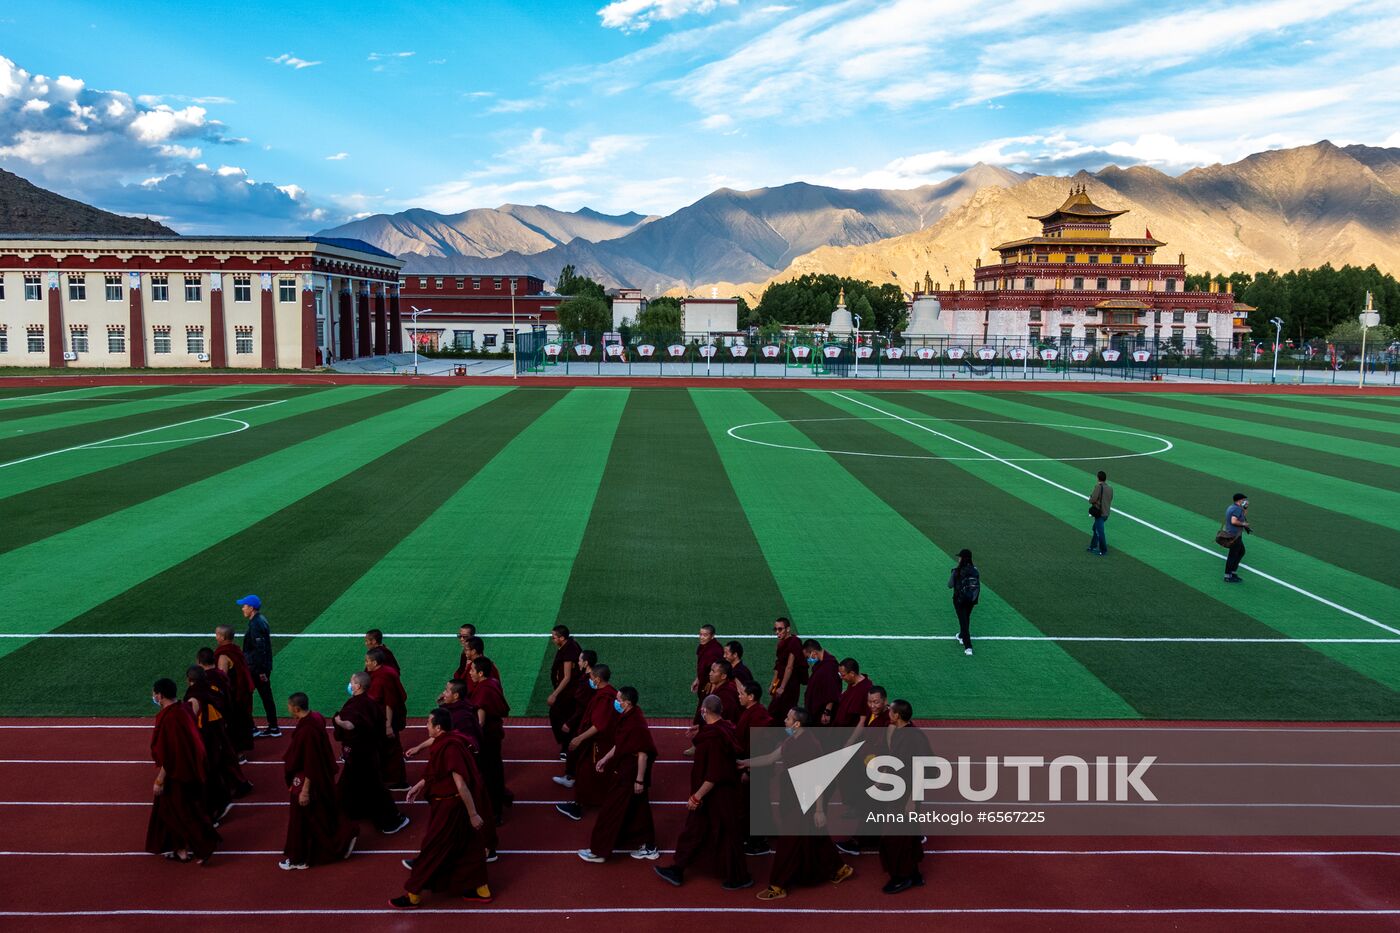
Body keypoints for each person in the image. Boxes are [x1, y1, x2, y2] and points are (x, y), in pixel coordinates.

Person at [747, 708, 854, 900]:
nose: (785, 720)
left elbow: (818, 779)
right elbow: (771, 757)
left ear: (797, 724)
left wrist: (819, 810)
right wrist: (744, 763)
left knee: (788, 842)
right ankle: (839, 868)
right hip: (793, 794)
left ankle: (778, 885)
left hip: (804, 798)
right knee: (814, 835)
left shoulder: (810, 745)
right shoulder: (792, 739)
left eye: (789, 718)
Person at [390, 709, 493, 909]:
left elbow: (460, 784)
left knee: (432, 848)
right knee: (469, 848)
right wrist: (419, 786)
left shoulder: (451, 748)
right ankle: (481, 890)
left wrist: (473, 814)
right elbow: (437, 773)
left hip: (451, 808)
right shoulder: (447, 741)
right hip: (451, 805)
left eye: (428, 723)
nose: (425, 726)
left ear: (438, 727)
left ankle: (413, 896)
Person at [654, 695, 750, 890]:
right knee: (700, 830)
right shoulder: (725, 729)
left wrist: (697, 796)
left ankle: (738, 876)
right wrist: (701, 730)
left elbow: (713, 774)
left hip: (714, 795)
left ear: (704, 711)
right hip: (724, 793)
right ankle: (679, 868)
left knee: (718, 833)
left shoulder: (712, 740)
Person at [578, 686, 659, 863]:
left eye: (619, 699)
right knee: (639, 808)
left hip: (629, 774)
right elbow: (621, 743)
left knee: (610, 810)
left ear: (627, 703)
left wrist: (639, 779)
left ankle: (598, 851)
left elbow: (643, 754)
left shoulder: (635, 724)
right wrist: (605, 758)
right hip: (626, 769)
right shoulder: (630, 716)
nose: (616, 702)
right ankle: (648, 845)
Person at [145, 678, 220, 865]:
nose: (153, 696)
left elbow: (170, 754)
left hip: (177, 774)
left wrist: (160, 780)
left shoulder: (170, 718)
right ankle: (180, 847)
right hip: (191, 769)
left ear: (160, 695)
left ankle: (200, 848)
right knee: (184, 809)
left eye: (155, 693)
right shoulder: (183, 709)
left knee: (179, 812)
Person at [281, 692, 358, 870]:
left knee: (301, 820)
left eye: (289, 706)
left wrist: (305, 790)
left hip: (308, 780)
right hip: (322, 777)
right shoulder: (316, 717)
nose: (288, 709)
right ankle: (343, 837)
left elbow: (310, 762)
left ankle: (300, 857)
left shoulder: (306, 732)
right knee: (323, 814)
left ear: (296, 708)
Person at [333, 672, 410, 835]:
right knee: (348, 785)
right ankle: (353, 812)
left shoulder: (354, 705)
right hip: (370, 751)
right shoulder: (371, 703)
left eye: (352, 682)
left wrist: (337, 721)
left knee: (375, 789)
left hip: (359, 755)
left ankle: (391, 821)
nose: (350, 684)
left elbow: (350, 726)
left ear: (358, 686)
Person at [183, 666, 249, 825]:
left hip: (207, 734)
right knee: (218, 766)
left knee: (206, 772)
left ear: (190, 680)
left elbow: (190, 719)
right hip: (220, 729)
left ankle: (215, 808)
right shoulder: (211, 688)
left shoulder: (194, 696)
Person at [554, 663, 618, 820]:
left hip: (598, 743)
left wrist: (579, 738)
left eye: (591, 677)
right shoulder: (609, 692)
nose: (590, 680)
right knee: (590, 772)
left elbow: (598, 725)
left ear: (597, 679)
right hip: (599, 741)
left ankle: (579, 806)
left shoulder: (605, 697)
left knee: (586, 772)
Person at [878, 699, 930, 894]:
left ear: (897, 715)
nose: (887, 712)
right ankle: (914, 874)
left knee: (894, 838)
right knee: (907, 836)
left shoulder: (913, 738)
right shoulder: (902, 733)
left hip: (905, 796)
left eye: (890, 710)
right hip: (898, 792)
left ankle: (902, 877)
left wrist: (912, 800)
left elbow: (921, 770)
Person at [467, 657, 512, 821]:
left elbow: (480, 721)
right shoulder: (492, 682)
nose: (470, 673)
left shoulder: (484, 691)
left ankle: (495, 811)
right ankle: (502, 798)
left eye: (472, 670)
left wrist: (471, 741)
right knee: (495, 770)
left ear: (480, 673)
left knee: (488, 774)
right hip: (494, 735)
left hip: (486, 739)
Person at [736, 682, 775, 858]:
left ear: (751, 697)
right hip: (752, 765)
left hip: (756, 769)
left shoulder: (759, 715)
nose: (739, 696)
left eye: (742, 693)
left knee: (755, 804)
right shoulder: (752, 712)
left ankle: (758, 842)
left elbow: (758, 747)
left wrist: (748, 769)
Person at [365, 647, 409, 789]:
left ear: (375, 662)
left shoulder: (384, 676)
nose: (366, 664)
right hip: (383, 718)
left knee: (391, 749)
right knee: (387, 748)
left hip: (388, 719)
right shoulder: (384, 672)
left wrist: (388, 725)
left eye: (367, 661)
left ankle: (397, 780)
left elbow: (390, 702)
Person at [237, 596, 280, 738]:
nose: (242, 608)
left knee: (245, 696)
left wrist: (261, 671)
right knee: (266, 695)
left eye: (244, 605)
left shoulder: (255, 624)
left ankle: (252, 728)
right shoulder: (259, 620)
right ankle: (273, 727)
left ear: (251, 607)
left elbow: (259, 648)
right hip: (260, 666)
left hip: (256, 668)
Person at [407, 680, 482, 755]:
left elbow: (442, 735)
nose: (443, 693)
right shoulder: (462, 704)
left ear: (456, 696)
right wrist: (442, 704)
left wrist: (419, 747)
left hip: (461, 753)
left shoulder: (460, 716)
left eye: (446, 691)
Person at [213, 626, 256, 755]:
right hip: (243, 693)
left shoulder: (223, 655)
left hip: (233, 695)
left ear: (222, 637)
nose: (216, 637)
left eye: (217, 634)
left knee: (233, 724)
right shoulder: (236, 650)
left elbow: (222, 677)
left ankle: (237, 754)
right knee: (243, 721)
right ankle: (241, 751)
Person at [546, 625, 582, 758]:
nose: (552, 639)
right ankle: (567, 745)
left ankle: (568, 747)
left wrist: (554, 694)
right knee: (562, 717)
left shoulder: (569, 651)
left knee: (561, 718)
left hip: (568, 693)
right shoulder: (570, 645)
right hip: (567, 691)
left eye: (554, 637)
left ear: (562, 638)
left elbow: (567, 677)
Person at [769, 617, 806, 720]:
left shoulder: (794, 642)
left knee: (785, 710)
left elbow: (790, 666)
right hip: (781, 680)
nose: (777, 632)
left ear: (788, 629)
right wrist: (773, 683)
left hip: (790, 683)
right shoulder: (781, 643)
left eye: (780, 629)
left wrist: (782, 687)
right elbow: (779, 664)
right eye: (775, 629)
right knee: (774, 710)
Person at [949, 549, 980, 657]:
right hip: (971, 599)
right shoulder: (975, 570)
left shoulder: (956, 571)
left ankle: (968, 647)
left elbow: (950, 585)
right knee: (966, 618)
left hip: (959, 600)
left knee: (963, 621)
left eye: (960, 557)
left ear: (962, 558)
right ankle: (962, 635)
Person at [802, 640, 841, 725]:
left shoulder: (829, 667)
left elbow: (832, 692)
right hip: (815, 710)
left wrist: (827, 712)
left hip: (821, 713)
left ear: (814, 653)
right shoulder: (822, 663)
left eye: (807, 657)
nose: (808, 660)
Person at [692, 624, 724, 717]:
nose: (702, 638)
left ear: (712, 636)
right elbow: (702, 667)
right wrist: (697, 679)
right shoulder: (703, 647)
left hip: (709, 685)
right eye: (700, 634)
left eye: (705, 635)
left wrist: (712, 687)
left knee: (705, 710)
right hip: (704, 682)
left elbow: (717, 671)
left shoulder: (715, 651)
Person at [832, 658, 872, 728]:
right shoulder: (852, 681)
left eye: (843, 675)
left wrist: (852, 739)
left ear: (852, 673)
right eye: (840, 674)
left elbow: (862, 720)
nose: (841, 677)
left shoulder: (865, 690)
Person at [1222, 492, 1252, 583]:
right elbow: (1234, 521)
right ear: (1239, 500)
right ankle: (1228, 575)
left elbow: (1242, 516)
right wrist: (1244, 524)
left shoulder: (1233, 507)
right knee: (1233, 555)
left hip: (1234, 534)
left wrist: (1245, 508)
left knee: (1241, 552)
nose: (1245, 501)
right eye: (1243, 500)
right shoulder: (1236, 509)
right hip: (1234, 535)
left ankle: (1233, 572)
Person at [1087, 470, 1113, 557]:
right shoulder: (1110, 488)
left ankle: (1103, 550)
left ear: (1098, 478)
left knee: (1099, 531)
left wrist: (1090, 499)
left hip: (1100, 513)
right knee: (1095, 528)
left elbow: (1093, 499)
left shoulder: (1098, 487)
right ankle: (1092, 546)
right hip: (1106, 513)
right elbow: (1110, 499)